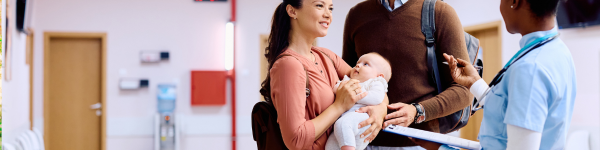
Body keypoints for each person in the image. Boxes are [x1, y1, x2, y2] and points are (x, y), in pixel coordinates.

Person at [411, 0, 577, 149]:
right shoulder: (557, 51)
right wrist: (474, 83)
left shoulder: (530, 69)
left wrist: (439, 148)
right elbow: (510, 107)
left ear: (514, 2)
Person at [342, 0, 472, 149]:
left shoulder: (440, 12)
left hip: (418, 142)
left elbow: (464, 90)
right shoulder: (357, 14)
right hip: (362, 140)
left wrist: (417, 111)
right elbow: (346, 77)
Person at [260, 0, 389, 149]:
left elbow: (372, 81)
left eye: (331, 8)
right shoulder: (288, 66)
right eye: (319, 6)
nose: (328, 15)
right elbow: (296, 140)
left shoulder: (326, 55)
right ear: (292, 11)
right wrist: (339, 106)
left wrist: (381, 109)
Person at [325, 53, 393, 150]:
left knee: (342, 124)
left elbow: (377, 98)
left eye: (366, 64)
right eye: (358, 63)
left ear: (379, 76)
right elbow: (336, 88)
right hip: (351, 122)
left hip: (363, 116)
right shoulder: (348, 80)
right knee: (330, 145)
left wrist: (352, 94)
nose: (358, 65)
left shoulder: (375, 82)